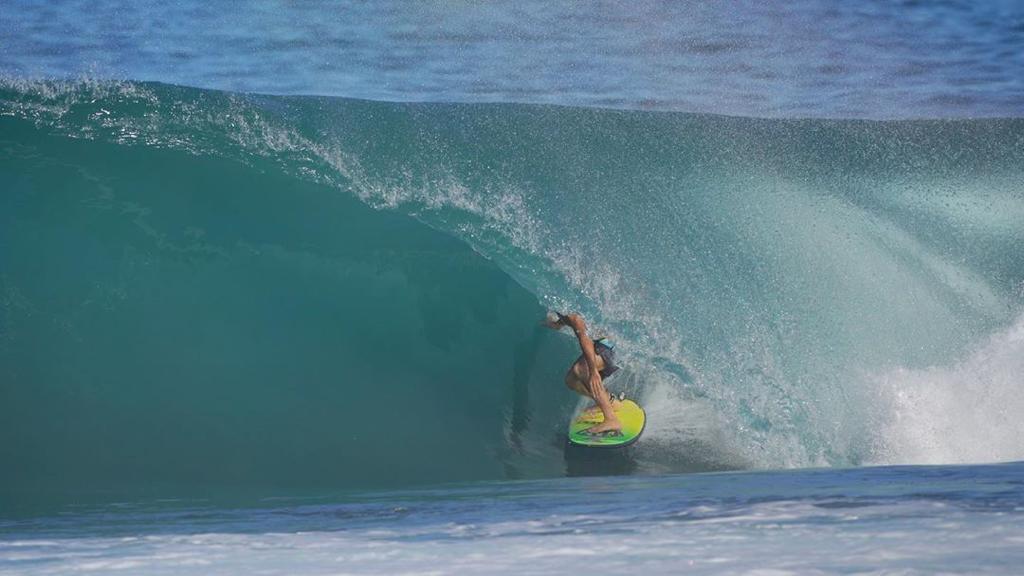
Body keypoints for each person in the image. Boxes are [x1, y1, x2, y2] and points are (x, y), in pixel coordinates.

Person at [544, 312, 622, 435]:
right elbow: (565, 321)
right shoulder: (567, 313)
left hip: (612, 350)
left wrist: (593, 371)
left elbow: (585, 339)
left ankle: (611, 419)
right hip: (602, 348)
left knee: (580, 369)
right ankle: (611, 403)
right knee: (571, 381)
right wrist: (555, 324)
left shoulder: (575, 316)